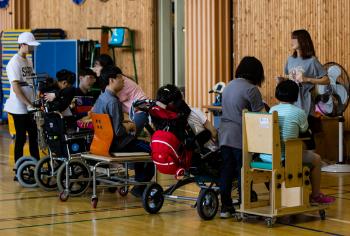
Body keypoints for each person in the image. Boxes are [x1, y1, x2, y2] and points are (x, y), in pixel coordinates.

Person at [260, 80, 335, 204]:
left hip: (267, 156)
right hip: (285, 157)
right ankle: (315, 195)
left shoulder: (272, 110)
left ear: (277, 94)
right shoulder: (299, 112)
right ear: (296, 96)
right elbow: (305, 130)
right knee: (316, 159)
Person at [92, 65, 154, 197]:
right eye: (120, 78)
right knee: (150, 150)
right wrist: (129, 126)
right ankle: (139, 187)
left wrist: (124, 123)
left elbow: (109, 124)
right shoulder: (114, 102)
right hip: (118, 144)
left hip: (102, 143)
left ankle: (137, 183)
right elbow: (118, 131)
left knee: (139, 146)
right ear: (111, 80)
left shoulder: (102, 98)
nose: (124, 81)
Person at [219, 56, 266, 218]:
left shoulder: (229, 86)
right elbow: (261, 117)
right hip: (240, 137)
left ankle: (225, 207)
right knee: (242, 171)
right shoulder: (251, 89)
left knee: (226, 170)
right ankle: (244, 204)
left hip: (224, 135)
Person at [282, 29, 330, 148]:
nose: (291, 41)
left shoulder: (312, 61)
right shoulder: (290, 59)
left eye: (294, 38)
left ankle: (312, 162)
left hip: (305, 104)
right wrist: (282, 80)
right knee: (292, 136)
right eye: (291, 38)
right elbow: (288, 77)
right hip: (291, 104)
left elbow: (326, 80)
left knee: (306, 137)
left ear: (303, 41)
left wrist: (307, 79)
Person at [4, 32, 40, 178]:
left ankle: (36, 166)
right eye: (30, 46)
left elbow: (31, 83)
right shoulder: (13, 63)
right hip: (18, 107)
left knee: (34, 136)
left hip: (29, 106)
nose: (32, 48)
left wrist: (35, 100)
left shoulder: (28, 61)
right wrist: (28, 104)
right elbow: (16, 88)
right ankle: (19, 169)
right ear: (23, 45)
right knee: (20, 138)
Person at [93, 54, 148, 135]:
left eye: (97, 66)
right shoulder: (111, 83)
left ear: (105, 67)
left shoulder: (119, 83)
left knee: (131, 136)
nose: (95, 69)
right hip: (132, 111)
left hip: (141, 110)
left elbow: (107, 102)